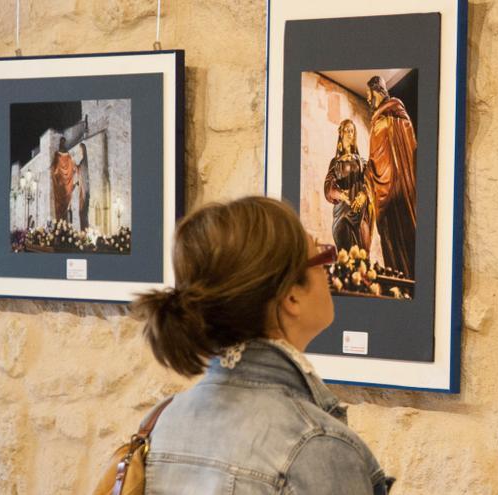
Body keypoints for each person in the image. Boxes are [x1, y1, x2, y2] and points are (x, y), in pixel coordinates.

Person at [134, 196, 393, 494]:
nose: (330, 269)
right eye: (322, 258)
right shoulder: (315, 446)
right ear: (292, 297)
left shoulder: (161, 421)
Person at [366, 75, 417, 279]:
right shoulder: (379, 121)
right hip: (383, 190)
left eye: (369, 95)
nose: (368, 100)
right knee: (389, 237)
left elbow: (404, 149)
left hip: (398, 187)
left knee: (403, 233)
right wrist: (369, 171)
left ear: (378, 91)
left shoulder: (394, 114)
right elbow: (376, 157)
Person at [324, 119, 373, 253]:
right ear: (341, 134)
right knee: (346, 257)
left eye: (352, 131)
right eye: (347, 130)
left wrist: (364, 194)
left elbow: (370, 180)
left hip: (360, 214)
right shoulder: (336, 162)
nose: (350, 134)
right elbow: (328, 186)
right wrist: (339, 194)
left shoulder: (361, 162)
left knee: (363, 257)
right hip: (342, 214)